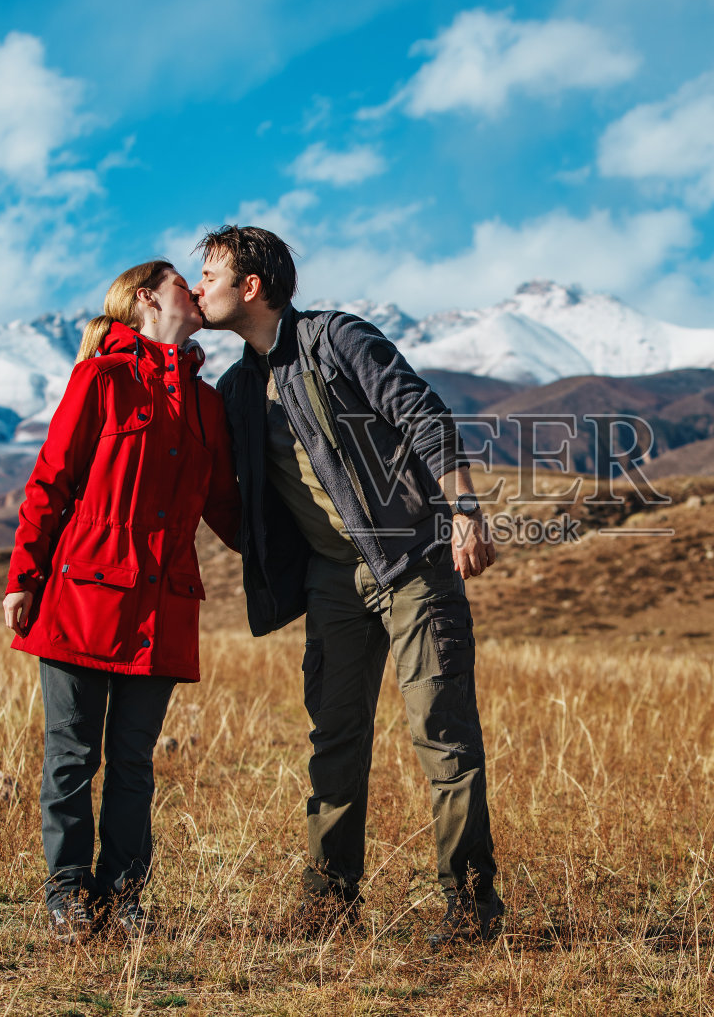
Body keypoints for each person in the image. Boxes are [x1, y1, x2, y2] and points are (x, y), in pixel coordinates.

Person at [194, 225, 504, 946]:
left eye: (209, 274)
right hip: (332, 581)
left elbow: (423, 413)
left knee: (442, 733)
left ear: (251, 286)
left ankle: (470, 907)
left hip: (413, 564)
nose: (199, 285)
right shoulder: (236, 388)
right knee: (334, 737)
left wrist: (464, 508)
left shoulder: (336, 339)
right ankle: (330, 903)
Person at [2, 259, 240, 944]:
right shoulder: (100, 379)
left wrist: (306, 551)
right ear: (147, 299)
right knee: (73, 756)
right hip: (82, 598)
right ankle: (67, 893)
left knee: (134, 762)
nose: (196, 291)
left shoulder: (207, 403)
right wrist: (23, 576)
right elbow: (50, 481)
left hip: (163, 608)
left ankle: (123, 896)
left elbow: (227, 507)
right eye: (182, 283)